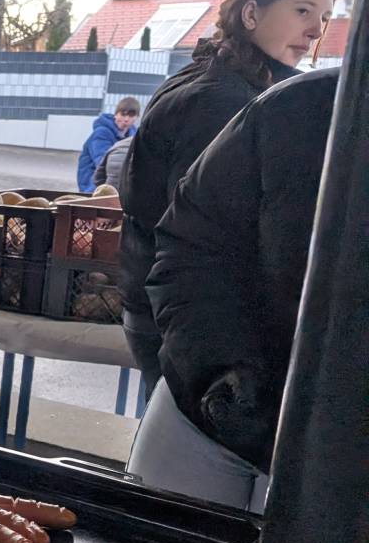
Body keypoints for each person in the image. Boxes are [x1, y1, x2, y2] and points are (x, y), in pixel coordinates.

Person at [117, 0, 341, 390]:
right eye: (303, 11)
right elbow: (202, 238)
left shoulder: (217, 77)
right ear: (251, 13)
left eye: (325, 18)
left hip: (166, 315)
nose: (317, 31)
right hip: (189, 328)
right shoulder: (223, 101)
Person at [128, 67, 338, 512]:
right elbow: (192, 243)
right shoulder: (294, 108)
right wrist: (223, 377)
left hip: (336, 459)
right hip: (206, 413)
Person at [76, 98, 138, 193]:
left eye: (131, 115)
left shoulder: (134, 136)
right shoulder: (101, 133)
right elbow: (101, 161)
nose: (126, 119)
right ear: (116, 114)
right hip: (93, 185)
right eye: (123, 114)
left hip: (116, 184)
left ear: (137, 117)